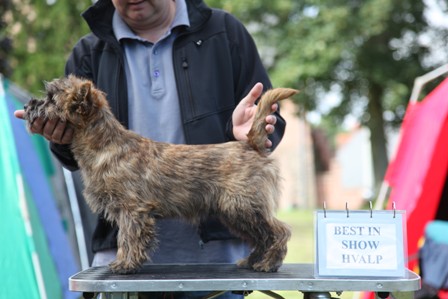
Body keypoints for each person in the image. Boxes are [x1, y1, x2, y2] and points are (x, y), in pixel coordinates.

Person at [15, 0, 286, 298]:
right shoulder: (88, 51)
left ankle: (273, 243)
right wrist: (59, 138)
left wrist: (250, 129)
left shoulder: (224, 31)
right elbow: (70, 154)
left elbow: (270, 121)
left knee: (241, 212)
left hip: (216, 266)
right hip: (119, 275)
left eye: (51, 100)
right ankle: (130, 257)